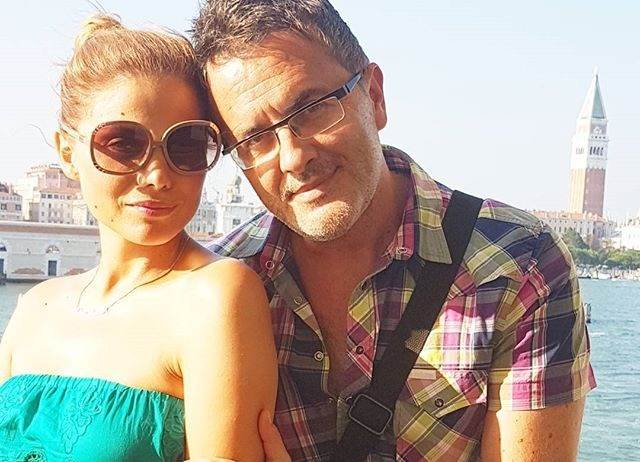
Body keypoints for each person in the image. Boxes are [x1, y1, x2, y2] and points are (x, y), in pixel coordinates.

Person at [193, 1, 596, 460]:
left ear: (375, 96)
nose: (293, 158)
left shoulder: (520, 266)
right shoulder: (217, 286)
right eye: (255, 139)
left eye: (313, 109)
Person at [0, 14, 279, 461]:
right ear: (68, 152)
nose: (156, 176)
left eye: (186, 145)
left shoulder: (215, 296)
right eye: (123, 144)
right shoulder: (35, 307)